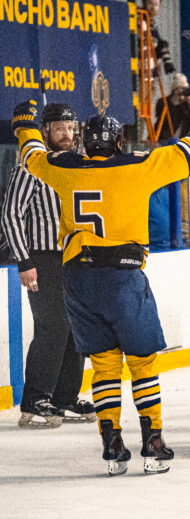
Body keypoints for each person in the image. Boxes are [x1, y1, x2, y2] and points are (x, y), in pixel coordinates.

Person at [12, 98, 190, 474]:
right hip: (123, 280)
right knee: (142, 363)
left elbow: (33, 153)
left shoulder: (64, 168)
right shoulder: (139, 166)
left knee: (104, 365)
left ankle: (112, 443)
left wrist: (24, 126)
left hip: (79, 282)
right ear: (119, 143)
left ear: (86, 143)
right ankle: (152, 441)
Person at [1, 103, 93, 429]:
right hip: (43, 258)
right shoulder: (31, 166)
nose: (66, 134)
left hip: (74, 258)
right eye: (59, 128)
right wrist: (23, 261)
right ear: (45, 131)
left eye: (70, 127)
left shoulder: (73, 165)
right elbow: (11, 213)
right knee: (52, 327)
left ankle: (64, 398)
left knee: (76, 329)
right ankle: (34, 402)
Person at [155, 72, 190, 142]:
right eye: (182, 88)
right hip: (163, 140)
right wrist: (175, 101)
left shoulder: (185, 105)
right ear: (175, 89)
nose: (184, 91)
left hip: (180, 140)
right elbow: (167, 121)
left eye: (186, 89)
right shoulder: (163, 102)